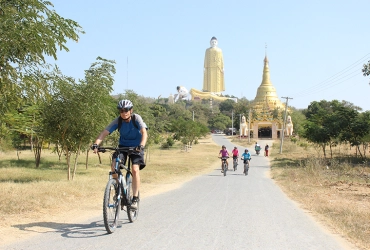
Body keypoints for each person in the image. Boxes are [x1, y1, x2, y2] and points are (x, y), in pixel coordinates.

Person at [91, 99, 148, 210]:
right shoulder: (118, 121)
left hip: (137, 147)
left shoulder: (136, 118)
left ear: (131, 110)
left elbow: (144, 132)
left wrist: (141, 145)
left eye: (126, 110)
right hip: (123, 147)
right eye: (121, 110)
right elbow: (104, 132)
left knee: (135, 169)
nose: (123, 112)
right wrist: (96, 144)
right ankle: (118, 189)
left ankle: (135, 199)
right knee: (114, 165)